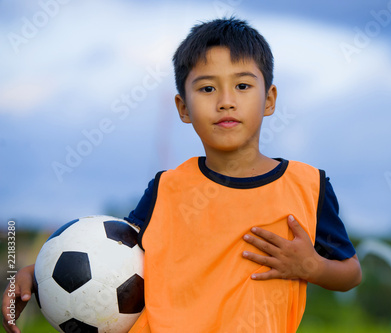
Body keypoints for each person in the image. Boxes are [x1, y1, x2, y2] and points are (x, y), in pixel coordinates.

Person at [2, 17, 361, 333]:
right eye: (207, 88)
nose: (225, 101)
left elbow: (350, 273)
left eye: (242, 85)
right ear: (183, 108)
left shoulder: (307, 185)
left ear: (269, 100)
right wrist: (39, 273)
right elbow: (113, 253)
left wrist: (311, 266)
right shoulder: (167, 188)